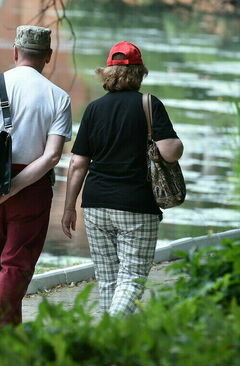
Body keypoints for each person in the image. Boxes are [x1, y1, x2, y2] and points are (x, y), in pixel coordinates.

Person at [0, 25, 72, 328]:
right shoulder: (58, 97)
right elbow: (52, 156)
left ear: (15, 52)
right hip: (32, 186)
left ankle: (1, 332)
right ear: (48, 56)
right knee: (17, 264)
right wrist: (13, 189)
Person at [60, 41, 183, 316]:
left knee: (108, 280)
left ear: (107, 72)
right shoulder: (149, 104)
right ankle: (112, 328)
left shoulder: (94, 109)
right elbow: (170, 152)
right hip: (136, 206)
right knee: (131, 279)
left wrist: (69, 207)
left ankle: (108, 339)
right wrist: (176, 144)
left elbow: (78, 163)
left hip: (95, 206)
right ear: (140, 73)